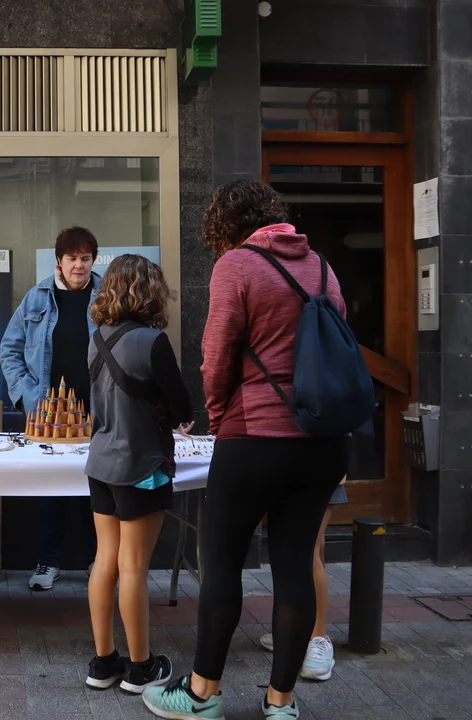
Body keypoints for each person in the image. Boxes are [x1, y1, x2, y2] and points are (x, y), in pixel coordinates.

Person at [143, 180, 349, 720]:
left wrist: (219, 416)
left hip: (254, 435)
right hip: (321, 442)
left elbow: (216, 355)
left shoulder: (236, 265)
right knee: (296, 568)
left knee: (222, 564)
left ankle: (202, 694)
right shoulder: (322, 268)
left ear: (225, 225)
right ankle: (281, 703)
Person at [82, 254, 193, 695]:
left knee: (104, 561)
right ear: (150, 291)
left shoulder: (96, 338)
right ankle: (141, 667)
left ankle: (103, 661)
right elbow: (181, 407)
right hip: (142, 465)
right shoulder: (153, 341)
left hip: (101, 463)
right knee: (134, 567)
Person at [0, 226, 101, 590]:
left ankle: (97, 562)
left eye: (86, 258)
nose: (79, 265)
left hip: (97, 409)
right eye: (72, 258)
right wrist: (28, 398)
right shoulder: (37, 298)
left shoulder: (108, 297)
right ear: (59, 261)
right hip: (48, 411)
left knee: (97, 486)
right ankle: (47, 562)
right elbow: (9, 349)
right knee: (50, 489)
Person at [259, 477, 348, 682]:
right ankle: (299, 629)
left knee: (306, 550)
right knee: (311, 544)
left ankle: (318, 637)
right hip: (284, 471)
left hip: (319, 470)